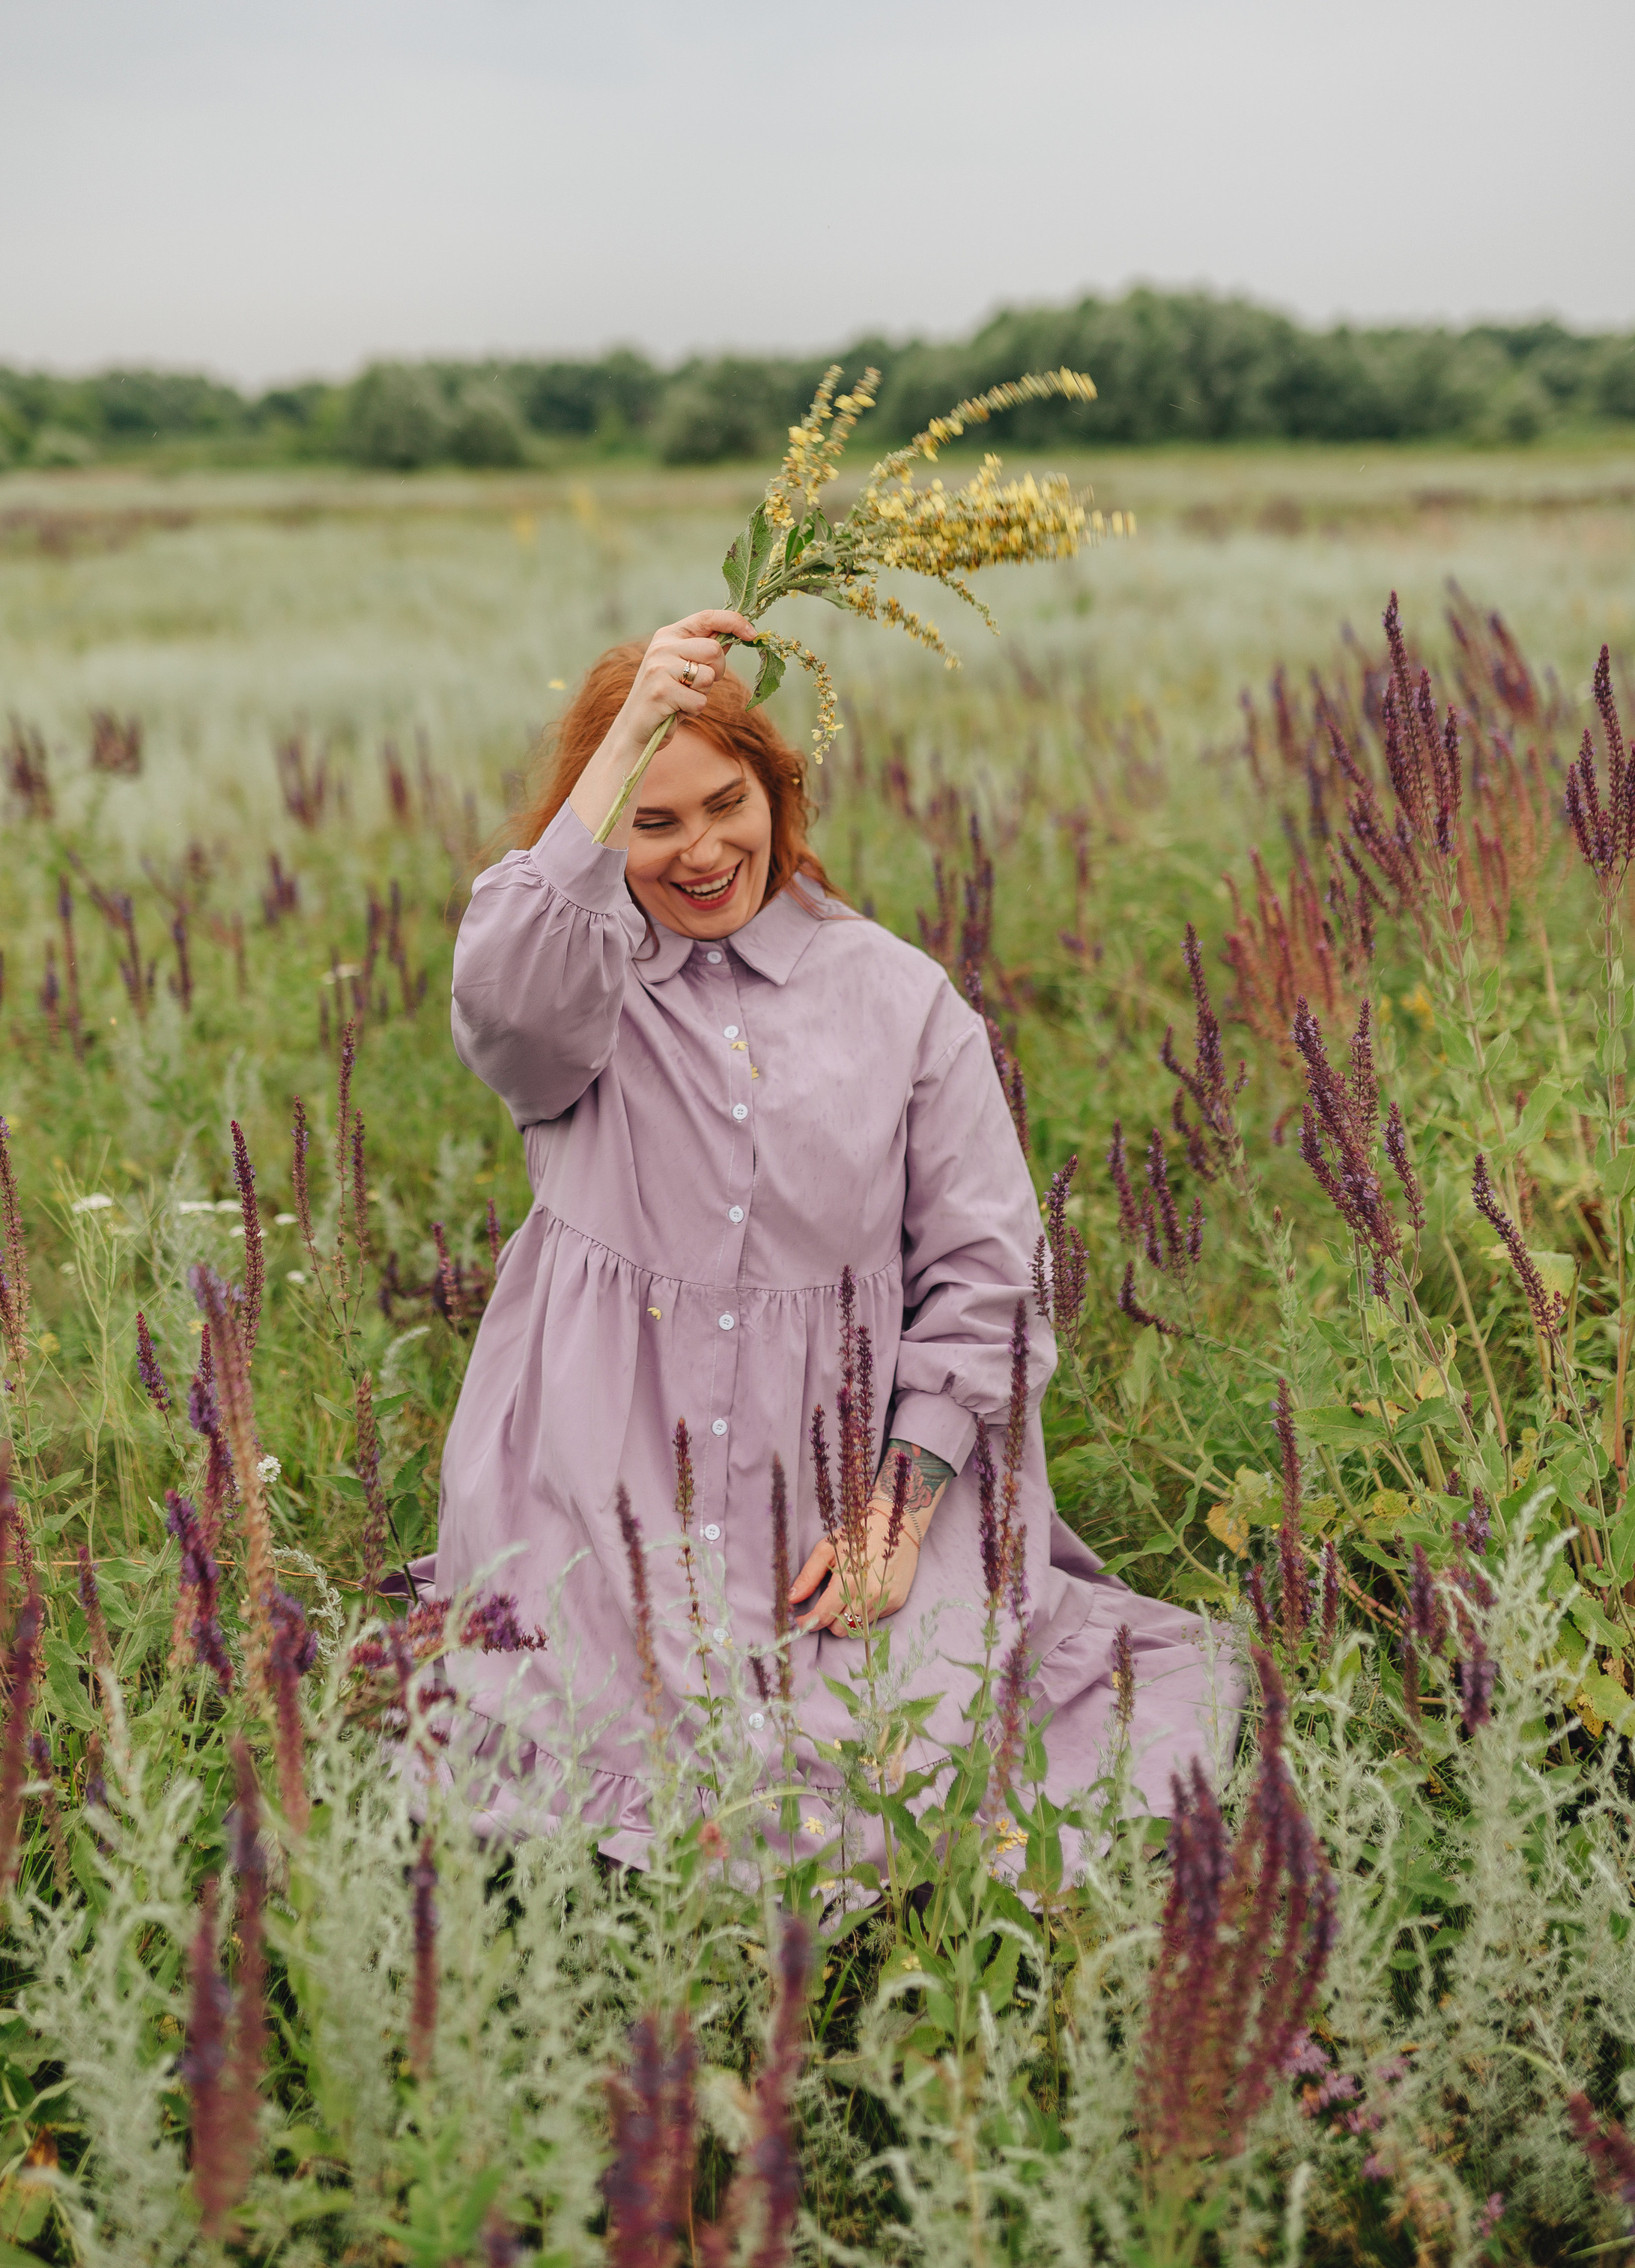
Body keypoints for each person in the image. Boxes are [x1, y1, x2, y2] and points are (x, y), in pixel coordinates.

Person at [431, 610, 1238, 1862]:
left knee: (901, 1752)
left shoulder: (900, 998)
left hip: (836, 1476)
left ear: (778, 790)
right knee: (597, 1730)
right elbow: (499, 993)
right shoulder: (576, 993)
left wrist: (896, 1520)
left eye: (728, 803)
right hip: (602, 1469)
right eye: (655, 819)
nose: (705, 850)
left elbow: (987, 1273)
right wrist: (625, 735)